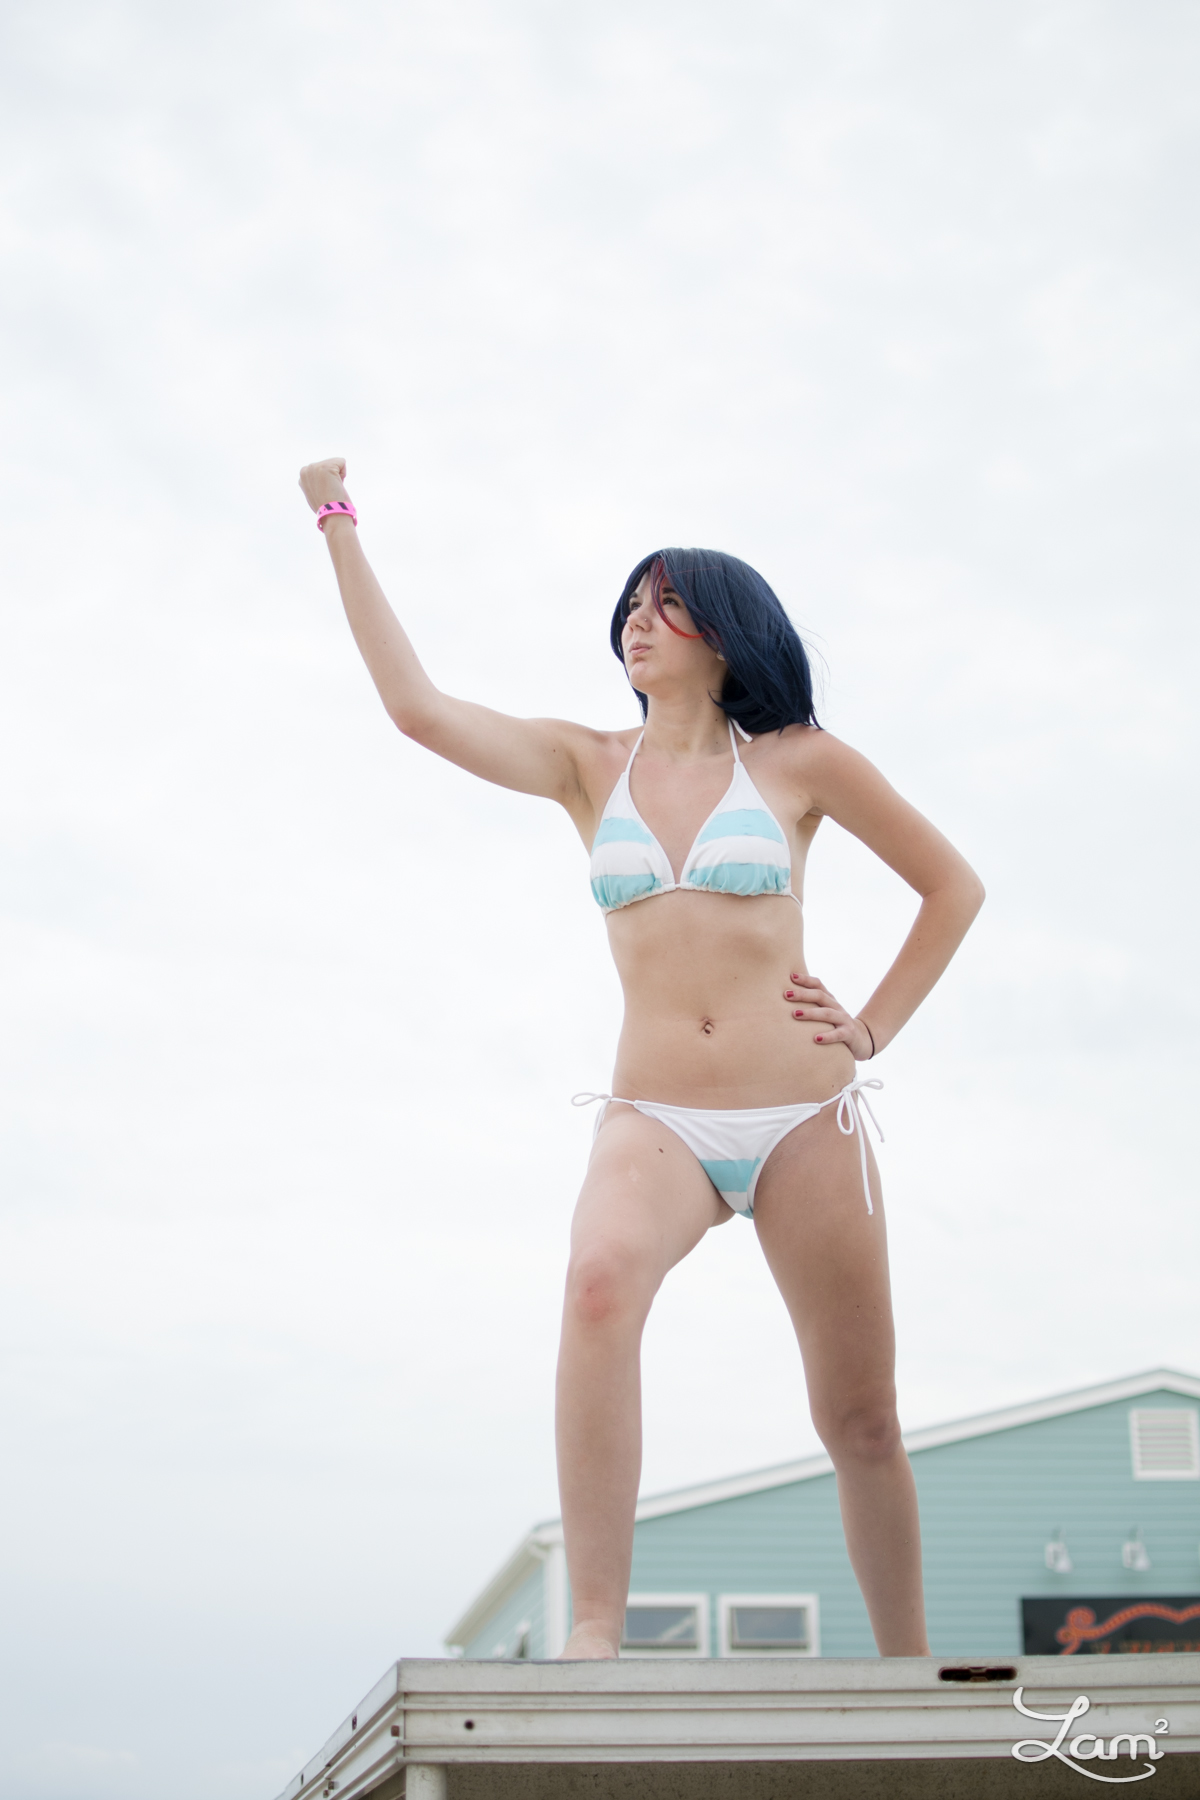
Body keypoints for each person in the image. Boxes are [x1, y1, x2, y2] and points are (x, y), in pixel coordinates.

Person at [298, 457, 985, 1661]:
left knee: (862, 1419)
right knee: (598, 1285)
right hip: (656, 1117)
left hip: (803, 1119)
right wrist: (337, 521)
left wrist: (871, 1027)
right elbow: (418, 709)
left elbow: (953, 887)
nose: (638, 620)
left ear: (725, 633)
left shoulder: (800, 763)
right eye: (630, 603)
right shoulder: (586, 765)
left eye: (667, 604)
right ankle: (596, 1631)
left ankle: (907, 1671)